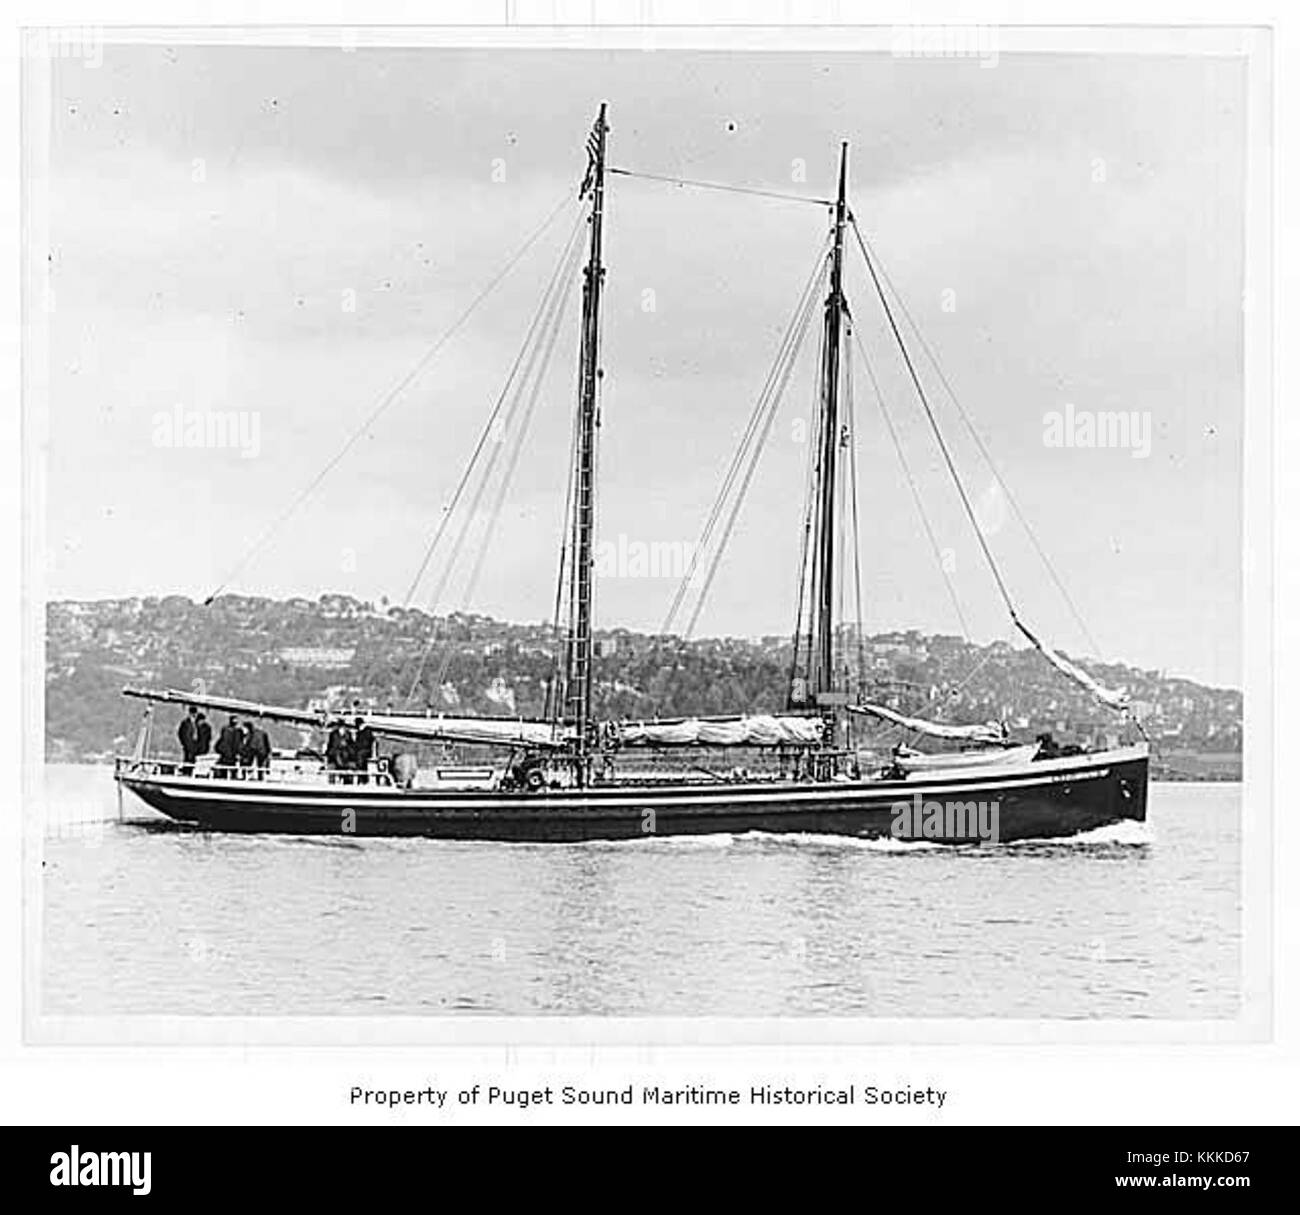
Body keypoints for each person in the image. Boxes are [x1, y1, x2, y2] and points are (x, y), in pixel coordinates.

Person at [351, 715, 375, 783]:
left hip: (365, 751)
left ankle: (362, 777)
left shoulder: (367, 732)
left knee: (359, 756)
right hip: (361, 750)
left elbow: (365, 744)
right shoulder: (359, 732)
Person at [177, 705, 199, 774]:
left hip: (193, 746)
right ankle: (186, 772)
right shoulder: (186, 723)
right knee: (187, 759)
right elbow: (181, 733)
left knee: (192, 760)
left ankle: (189, 771)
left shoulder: (195, 723)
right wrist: (184, 743)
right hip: (188, 745)